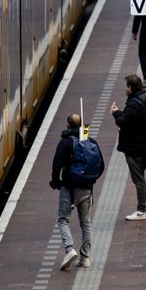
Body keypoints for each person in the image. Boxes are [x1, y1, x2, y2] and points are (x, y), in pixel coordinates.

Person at [50, 113, 105, 269]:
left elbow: (56, 165)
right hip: (86, 188)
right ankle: (85, 258)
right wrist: (90, 179)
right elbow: (101, 166)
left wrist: (56, 182)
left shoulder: (65, 142)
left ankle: (69, 249)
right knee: (86, 223)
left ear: (68, 124)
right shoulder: (90, 141)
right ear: (81, 125)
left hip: (68, 186)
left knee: (63, 219)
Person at [112, 74, 146, 221]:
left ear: (130, 87)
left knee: (138, 179)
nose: (125, 88)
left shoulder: (134, 104)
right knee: (140, 177)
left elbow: (123, 121)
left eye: (126, 86)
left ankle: (142, 209)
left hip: (134, 146)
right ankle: (142, 208)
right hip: (142, 142)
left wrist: (116, 112)